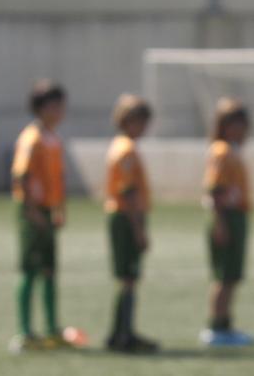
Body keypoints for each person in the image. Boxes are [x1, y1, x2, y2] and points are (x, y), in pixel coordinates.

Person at [9, 80, 72, 352]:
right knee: (30, 270)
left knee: (49, 270)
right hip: (31, 212)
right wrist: (32, 212)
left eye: (61, 106)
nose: (59, 111)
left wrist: (58, 210)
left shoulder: (53, 139)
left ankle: (52, 329)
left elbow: (56, 179)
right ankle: (24, 333)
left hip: (47, 211)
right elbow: (21, 176)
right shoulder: (31, 139)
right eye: (53, 106)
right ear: (40, 108)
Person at [103, 94, 160, 354]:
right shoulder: (126, 149)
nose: (145, 128)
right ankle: (122, 334)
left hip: (124, 216)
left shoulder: (122, 146)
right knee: (128, 277)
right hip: (126, 218)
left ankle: (121, 332)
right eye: (141, 122)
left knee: (128, 278)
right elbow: (127, 192)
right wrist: (139, 229)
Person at [200, 97, 254, 347]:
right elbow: (214, 189)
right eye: (236, 124)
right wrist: (220, 222)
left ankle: (225, 324)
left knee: (232, 275)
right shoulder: (222, 151)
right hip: (226, 216)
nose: (242, 130)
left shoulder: (232, 151)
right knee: (223, 275)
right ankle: (216, 326)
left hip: (236, 215)